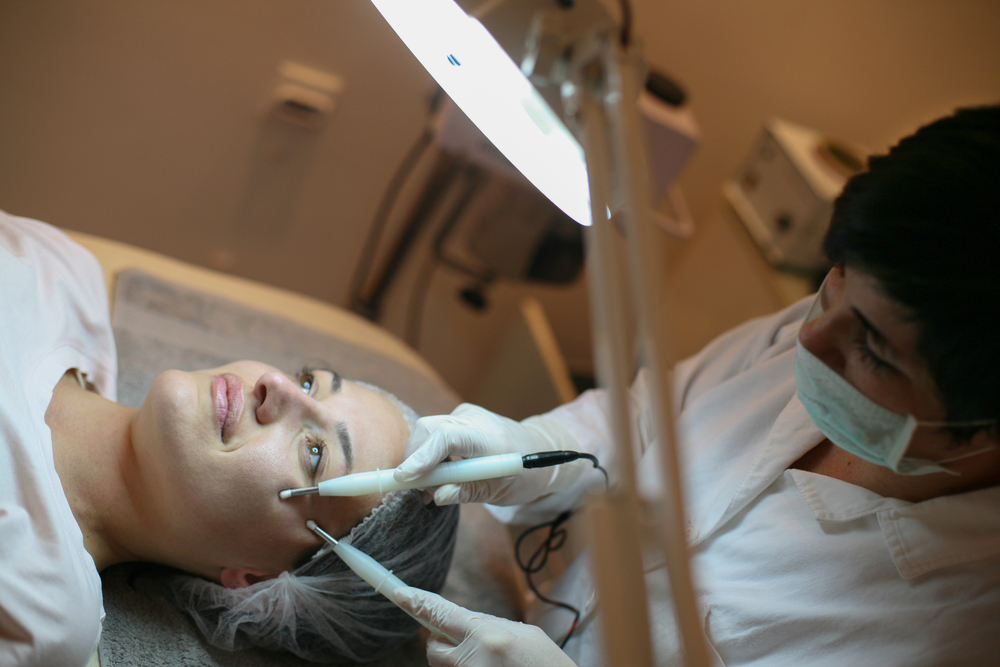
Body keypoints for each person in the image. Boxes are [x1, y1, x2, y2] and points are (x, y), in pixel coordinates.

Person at [388, 103, 1000, 666]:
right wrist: (532, 447)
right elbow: (654, 414)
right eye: (833, 278)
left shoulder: (954, 631)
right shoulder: (823, 326)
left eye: (871, 350)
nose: (808, 341)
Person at [0, 210, 459, 667]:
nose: (275, 387)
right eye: (307, 383)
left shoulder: (41, 606)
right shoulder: (61, 278)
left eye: (314, 453)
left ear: (257, 581)